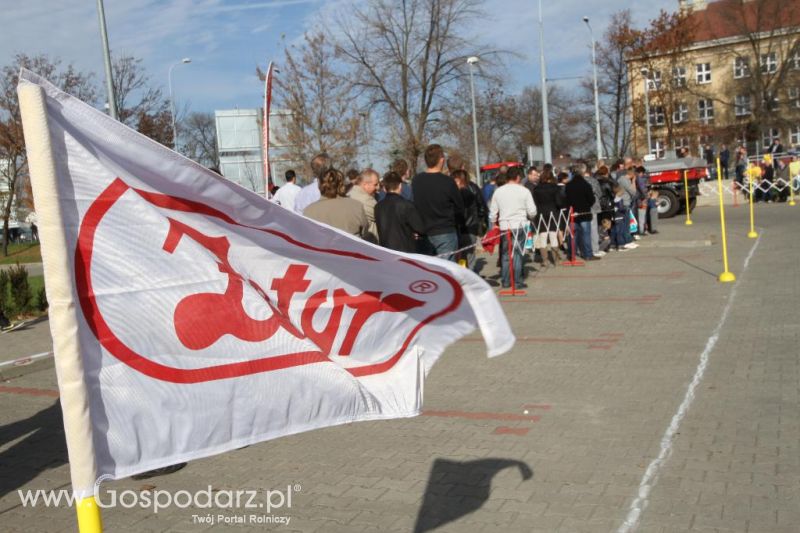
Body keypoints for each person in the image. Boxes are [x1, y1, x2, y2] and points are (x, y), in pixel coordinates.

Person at [412, 144, 465, 261]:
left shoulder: (416, 181)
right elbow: (460, 208)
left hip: (424, 232)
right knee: (447, 271)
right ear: (441, 160)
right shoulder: (448, 182)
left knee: (428, 272)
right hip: (445, 232)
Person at [488, 167, 537, 288]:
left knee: (505, 254)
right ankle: (518, 281)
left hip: (505, 226)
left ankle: (505, 281)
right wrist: (530, 216)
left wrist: (494, 223)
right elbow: (532, 211)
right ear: (518, 177)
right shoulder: (524, 191)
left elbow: (493, 211)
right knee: (518, 254)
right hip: (520, 225)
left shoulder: (498, 191)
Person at [304, 168, 369, 237]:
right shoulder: (356, 206)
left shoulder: (308, 211)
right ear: (342, 184)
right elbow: (365, 232)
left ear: (320, 186)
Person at [375, 171, 425, 253]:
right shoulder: (406, 205)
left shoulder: (378, 207)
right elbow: (420, 228)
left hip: (386, 250)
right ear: (400, 186)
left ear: (384, 188)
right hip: (405, 251)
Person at [564, 169, 598, 261]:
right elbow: (591, 200)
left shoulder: (568, 185)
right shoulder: (586, 185)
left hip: (572, 214)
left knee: (573, 235)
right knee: (586, 234)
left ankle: (572, 255)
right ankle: (588, 255)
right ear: (582, 174)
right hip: (584, 213)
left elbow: (566, 200)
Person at [451, 169, 482, 270]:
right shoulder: (470, 193)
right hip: (470, 228)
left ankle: (469, 281)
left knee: (465, 258)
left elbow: (461, 213)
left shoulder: (462, 194)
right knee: (469, 257)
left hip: (465, 229)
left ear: (458, 180)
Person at [532, 169, 563, 266]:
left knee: (543, 237)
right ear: (551, 177)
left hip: (540, 213)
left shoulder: (536, 189)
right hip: (553, 213)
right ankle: (556, 260)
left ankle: (545, 260)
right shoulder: (555, 188)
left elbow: (535, 203)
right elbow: (559, 202)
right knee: (553, 236)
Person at [347, 168, 380, 242]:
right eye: (375, 184)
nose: (378, 188)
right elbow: (382, 217)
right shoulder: (367, 200)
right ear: (365, 185)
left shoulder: (349, 194)